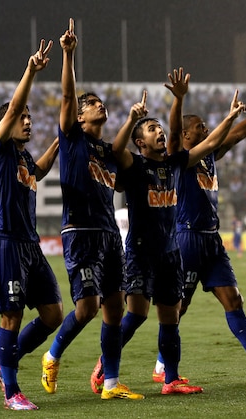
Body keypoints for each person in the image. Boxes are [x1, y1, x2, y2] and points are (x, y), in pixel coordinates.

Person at [89, 68, 246, 395]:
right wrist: (172, 102)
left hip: (170, 253)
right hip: (142, 252)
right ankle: (105, 367)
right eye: (151, 129)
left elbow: (212, 142)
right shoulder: (134, 166)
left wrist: (229, 117)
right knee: (135, 315)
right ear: (139, 141)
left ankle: (171, 380)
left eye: (159, 128)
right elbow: (123, 151)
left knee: (171, 318)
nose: (158, 132)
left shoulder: (176, 164)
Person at [152, 87, 246, 383]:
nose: (205, 129)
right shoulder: (181, 157)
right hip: (187, 238)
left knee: (233, 299)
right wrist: (188, 103)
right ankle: (161, 366)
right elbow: (177, 130)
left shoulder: (209, 156)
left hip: (212, 240)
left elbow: (237, 135)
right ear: (187, 135)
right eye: (199, 126)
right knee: (178, 308)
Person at [40, 19, 144, 400]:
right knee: (86, 308)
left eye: (100, 103)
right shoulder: (71, 139)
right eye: (90, 105)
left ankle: (111, 384)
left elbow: (122, 150)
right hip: (80, 232)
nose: (98, 106)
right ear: (80, 117)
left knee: (114, 309)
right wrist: (69, 55)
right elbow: (67, 99)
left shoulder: (108, 153)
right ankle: (52, 356)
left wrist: (133, 118)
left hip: (108, 235)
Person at [0, 39, 64, 411]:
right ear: (7, 122)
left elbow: (40, 171)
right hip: (6, 243)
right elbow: (14, 104)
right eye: (22, 118)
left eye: (30, 118)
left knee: (52, 315)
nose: (27, 121)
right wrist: (31, 69)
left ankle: (4, 364)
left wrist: (63, 138)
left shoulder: (23, 156)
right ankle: (11, 393)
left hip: (30, 245)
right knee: (12, 315)